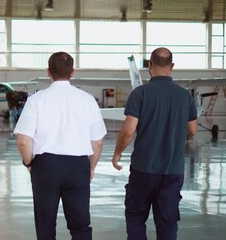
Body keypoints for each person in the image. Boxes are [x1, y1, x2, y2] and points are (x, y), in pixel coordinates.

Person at [14, 51, 107, 240]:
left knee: (45, 224)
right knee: (80, 225)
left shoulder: (36, 99)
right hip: (78, 166)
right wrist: (90, 167)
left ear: (48, 72)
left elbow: (24, 140)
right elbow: (97, 142)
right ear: (72, 72)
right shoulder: (87, 99)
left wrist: (29, 164)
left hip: (45, 166)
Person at [111, 47, 198, 240]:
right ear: (172, 66)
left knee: (135, 217)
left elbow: (128, 130)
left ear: (149, 65)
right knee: (167, 222)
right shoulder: (185, 96)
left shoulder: (140, 94)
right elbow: (192, 130)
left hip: (143, 169)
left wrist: (117, 153)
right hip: (173, 171)